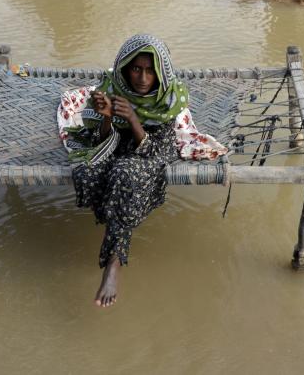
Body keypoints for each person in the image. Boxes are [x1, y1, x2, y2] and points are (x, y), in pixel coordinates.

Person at [56, 34, 227, 307]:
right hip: (119, 142)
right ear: (125, 69)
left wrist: (134, 119)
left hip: (152, 147)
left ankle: (113, 264)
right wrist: (108, 116)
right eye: (136, 69)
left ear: (160, 72)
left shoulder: (168, 98)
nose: (143, 78)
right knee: (88, 172)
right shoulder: (114, 88)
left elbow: (155, 152)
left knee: (126, 174)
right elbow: (102, 141)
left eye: (150, 70)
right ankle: (116, 219)